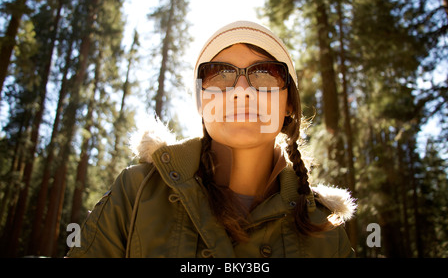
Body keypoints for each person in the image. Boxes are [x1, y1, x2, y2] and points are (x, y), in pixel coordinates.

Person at [66, 21, 356, 258]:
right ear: (202, 103)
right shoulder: (136, 191)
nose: (242, 90)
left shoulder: (325, 225)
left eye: (265, 73)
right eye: (219, 74)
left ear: (288, 105)